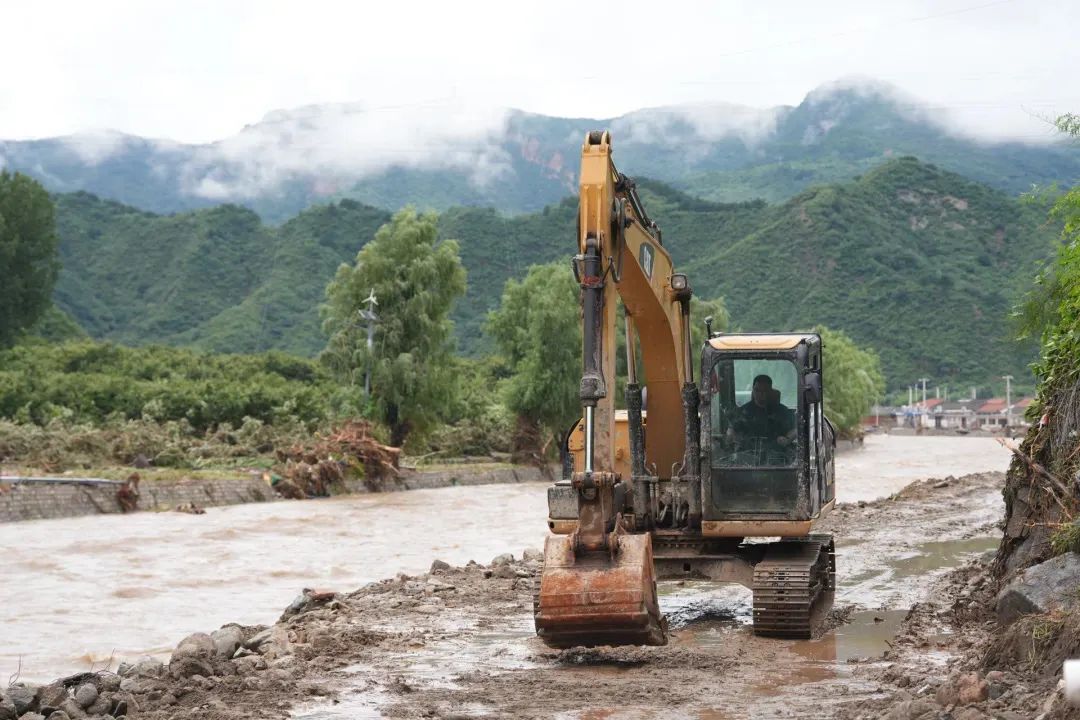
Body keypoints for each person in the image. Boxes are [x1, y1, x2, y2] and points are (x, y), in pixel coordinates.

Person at [731, 375, 796, 460]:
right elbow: (732, 431)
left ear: (770, 391)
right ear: (753, 390)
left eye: (765, 390)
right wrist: (733, 437)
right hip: (748, 456)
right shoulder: (743, 411)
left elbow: (795, 429)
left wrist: (787, 439)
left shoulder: (782, 411)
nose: (761, 394)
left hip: (777, 457)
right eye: (757, 390)